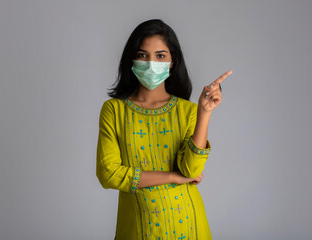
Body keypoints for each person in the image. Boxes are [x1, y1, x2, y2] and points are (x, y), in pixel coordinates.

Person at [96, 19, 232, 240]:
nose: (151, 63)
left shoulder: (187, 110)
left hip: (189, 226)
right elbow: (108, 174)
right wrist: (171, 177)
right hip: (138, 229)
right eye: (142, 55)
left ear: (172, 62)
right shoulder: (114, 110)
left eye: (160, 56)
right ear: (131, 59)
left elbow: (190, 169)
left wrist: (204, 113)